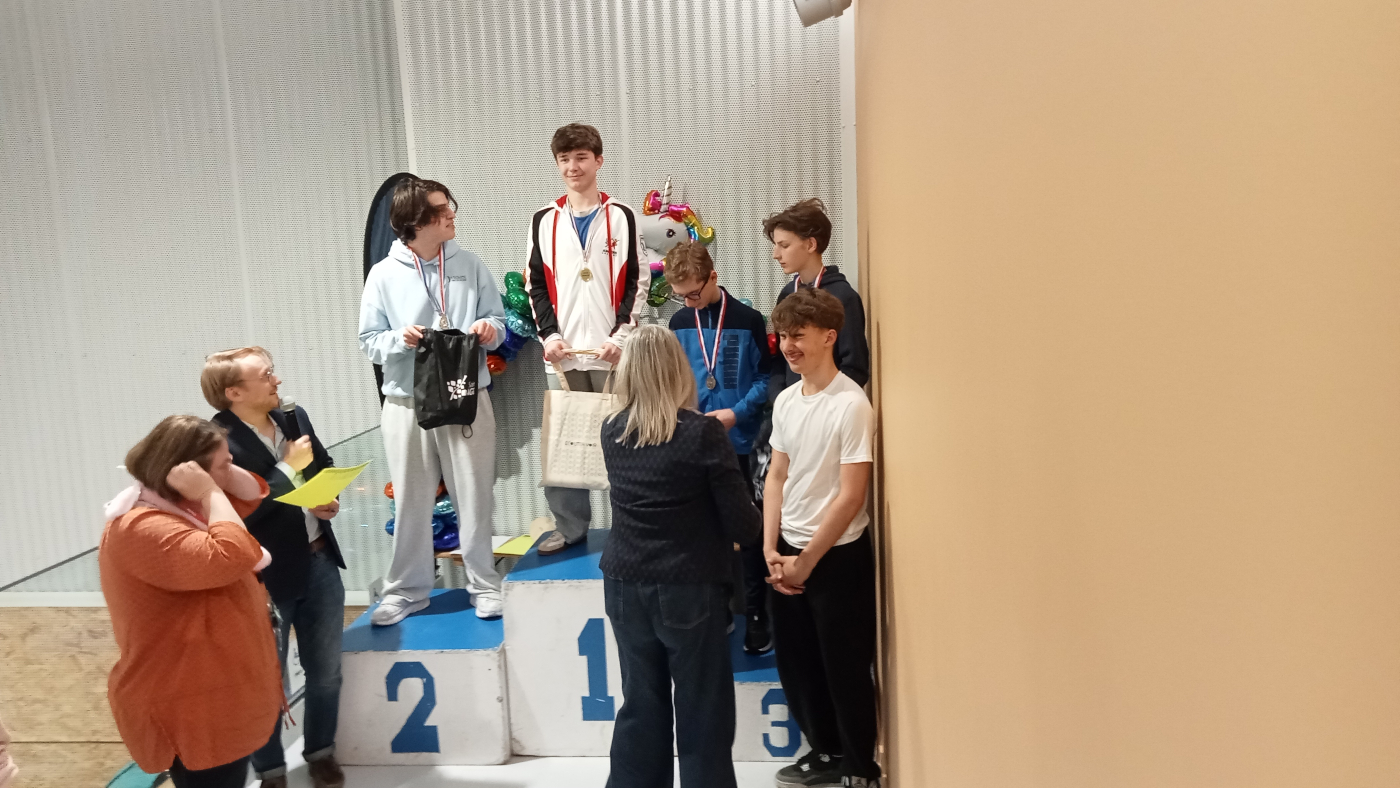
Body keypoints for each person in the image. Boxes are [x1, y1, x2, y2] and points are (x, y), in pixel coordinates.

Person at [598, 325, 761, 788]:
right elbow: (744, 527)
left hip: (624, 583)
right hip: (688, 586)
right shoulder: (704, 433)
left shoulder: (611, 430)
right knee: (703, 710)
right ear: (678, 368)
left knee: (639, 705)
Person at [100, 415, 282, 788]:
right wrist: (210, 490)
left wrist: (217, 477)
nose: (231, 471)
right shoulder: (141, 528)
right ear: (187, 475)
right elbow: (235, 554)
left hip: (214, 696)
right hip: (193, 705)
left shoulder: (182, 511)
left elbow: (250, 495)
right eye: (224, 464)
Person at [359, 176, 507, 625]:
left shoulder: (470, 264)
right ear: (416, 221)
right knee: (411, 498)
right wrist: (398, 339)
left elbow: (498, 322)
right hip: (407, 400)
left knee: (474, 495)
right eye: (441, 210)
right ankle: (407, 591)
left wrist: (489, 330)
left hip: (466, 395)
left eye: (449, 206)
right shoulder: (383, 275)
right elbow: (369, 342)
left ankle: (485, 585)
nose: (451, 215)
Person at [202, 347, 346, 788]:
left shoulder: (293, 418)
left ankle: (320, 752)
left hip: (319, 559)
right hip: (264, 578)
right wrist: (287, 467)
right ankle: (270, 771)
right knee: (267, 682)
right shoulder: (213, 442)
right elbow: (235, 514)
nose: (276, 381)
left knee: (326, 672)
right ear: (234, 392)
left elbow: (322, 465)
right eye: (265, 375)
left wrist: (326, 498)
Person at [764, 288, 881, 788]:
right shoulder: (786, 400)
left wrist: (807, 561)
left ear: (830, 337)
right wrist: (771, 548)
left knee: (845, 667)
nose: (789, 346)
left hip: (837, 557)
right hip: (787, 552)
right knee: (798, 666)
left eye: (799, 336)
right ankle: (826, 751)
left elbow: (851, 496)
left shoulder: (851, 405)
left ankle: (860, 767)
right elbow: (777, 476)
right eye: (783, 336)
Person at [526, 122, 648, 555]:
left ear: (598, 160)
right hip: (562, 354)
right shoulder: (544, 219)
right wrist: (549, 336)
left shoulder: (622, 215)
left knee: (623, 440)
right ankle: (571, 526)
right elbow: (535, 284)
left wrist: (622, 336)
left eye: (581, 157)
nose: (572, 167)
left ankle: (630, 527)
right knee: (564, 444)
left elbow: (638, 280)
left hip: (612, 353)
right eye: (564, 159)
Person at [664, 240, 775, 654]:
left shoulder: (748, 320)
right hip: (695, 445)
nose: (689, 303)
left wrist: (737, 413)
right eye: (681, 296)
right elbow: (674, 382)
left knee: (750, 530)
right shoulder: (679, 322)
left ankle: (756, 613)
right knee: (704, 531)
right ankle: (718, 608)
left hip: (741, 441)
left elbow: (766, 378)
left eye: (694, 293)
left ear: (713, 277)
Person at [765, 198, 869, 396]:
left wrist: (822, 401)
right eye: (775, 246)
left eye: (784, 245)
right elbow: (778, 358)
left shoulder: (843, 296)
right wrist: (779, 397)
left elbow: (855, 367)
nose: (775, 254)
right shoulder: (787, 294)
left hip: (828, 404)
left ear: (811, 244)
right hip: (792, 404)